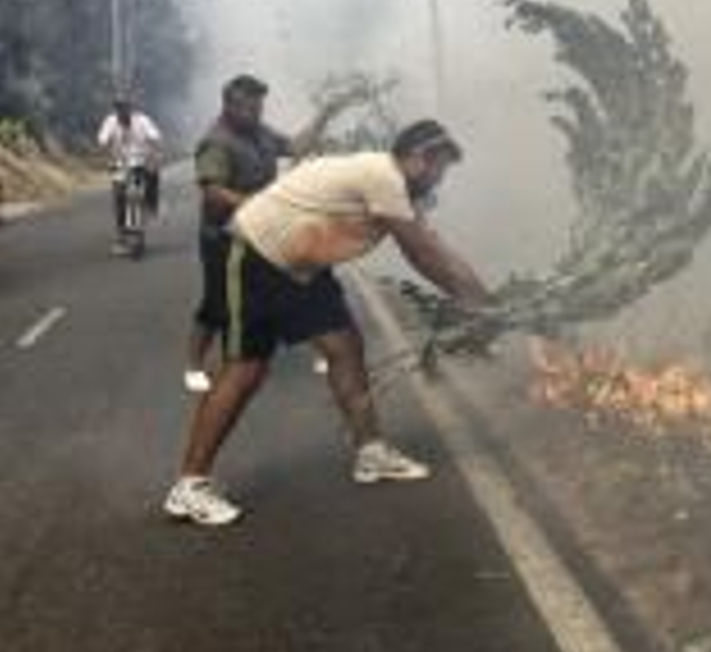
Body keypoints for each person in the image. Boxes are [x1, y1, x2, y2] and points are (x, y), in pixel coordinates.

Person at [163, 119, 492, 527]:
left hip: (302, 265)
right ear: (417, 158)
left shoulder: (400, 187)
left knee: (345, 347)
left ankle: (371, 452)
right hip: (257, 255)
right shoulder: (383, 176)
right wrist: (474, 303)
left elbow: (437, 247)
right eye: (439, 166)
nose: (441, 177)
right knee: (245, 369)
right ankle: (189, 485)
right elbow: (422, 255)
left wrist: (484, 300)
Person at [184, 73, 354, 393]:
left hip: (262, 231)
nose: (258, 114)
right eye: (251, 108)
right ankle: (194, 364)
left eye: (260, 108)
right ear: (231, 106)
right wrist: (259, 202)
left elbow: (295, 146)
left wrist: (325, 115)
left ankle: (325, 347)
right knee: (217, 304)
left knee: (300, 279)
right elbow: (213, 193)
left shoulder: (259, 132)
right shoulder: (217, 142)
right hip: (222, 235)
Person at [96, 92, 163, 253]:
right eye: (119, 109)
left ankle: (148, 212)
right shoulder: (110, 122)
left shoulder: (142, 121)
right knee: (119, 197)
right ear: (115, 110)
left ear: (130, 109)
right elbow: (103, 142)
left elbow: (155, 138)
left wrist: (153, 157)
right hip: (119, 165)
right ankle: (121, 234)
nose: (122, 112)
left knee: (141, 190)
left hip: (140, 163)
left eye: (125, 108)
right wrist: (107, 159)